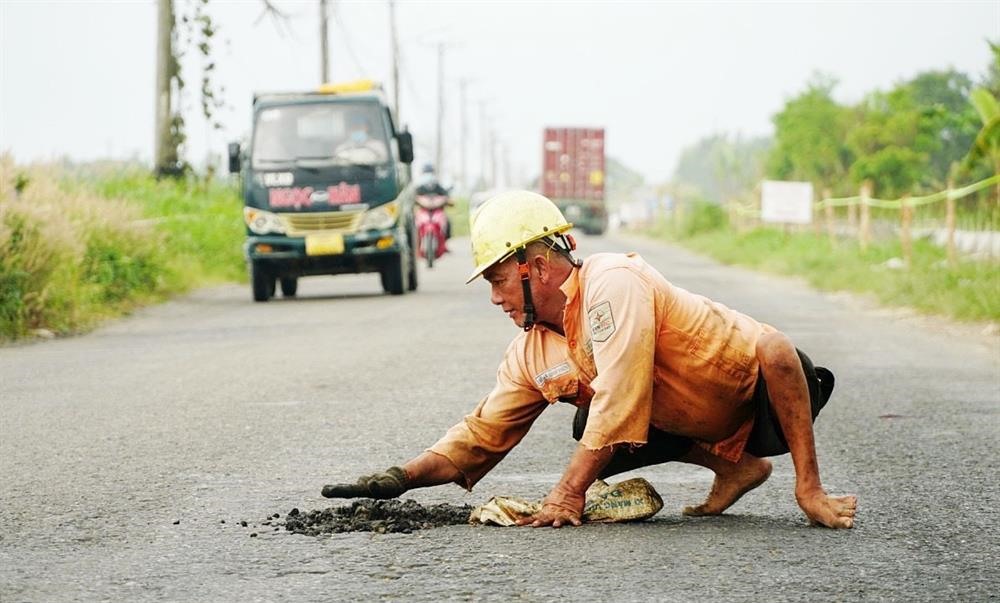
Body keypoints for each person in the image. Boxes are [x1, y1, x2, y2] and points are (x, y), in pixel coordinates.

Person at [322, 190, 857, 529]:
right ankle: (736, 468)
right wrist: (401, 477)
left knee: (777, 347)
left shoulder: (612, 282)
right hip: (689, 417)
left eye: (499, 281)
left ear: (537, 267)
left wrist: (566, 494)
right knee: (588, 423)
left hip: (766, 403)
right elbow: (482, 434)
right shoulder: (531, 350)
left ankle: (807, 486)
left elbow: (622, 392)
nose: (495, 298)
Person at [415, 163, 452, 239]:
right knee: (412, 223)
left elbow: (447, 197)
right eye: (426, 173)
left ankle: (444, 240)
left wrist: (447, 201)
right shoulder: (419, 188)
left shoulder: (438, 187)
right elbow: (414, 198)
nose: (428, 176)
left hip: (438, 212)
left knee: (448, 222)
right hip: (423, 212)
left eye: (430, 173)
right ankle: (413, 244)